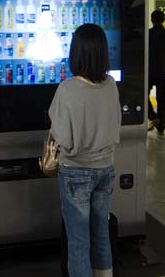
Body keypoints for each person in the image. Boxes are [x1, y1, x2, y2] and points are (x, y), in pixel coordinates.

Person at [48, 24, 121, 277]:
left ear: (75, 53)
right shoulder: (111, 84)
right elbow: (116, 125)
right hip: (105, 168)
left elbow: (63, 139)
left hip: (76, 171)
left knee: (78, 242)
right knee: (101, 235)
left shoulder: (67, 89)